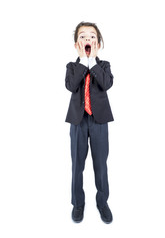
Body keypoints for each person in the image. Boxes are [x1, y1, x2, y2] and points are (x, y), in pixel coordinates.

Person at [65, 21, 114, 224]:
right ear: (77, 43)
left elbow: (106, 83)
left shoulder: (103, 66)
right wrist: (83, 62)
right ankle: (78, 203)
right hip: (78, 120)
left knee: (100, 164)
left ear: (99, 43)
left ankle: (102, 202)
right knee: (77, 165)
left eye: (92, 36)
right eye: (83, 36)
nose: (88, 39)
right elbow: (71, 85)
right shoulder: (72, 67)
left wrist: (92, 61)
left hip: (99, 120)